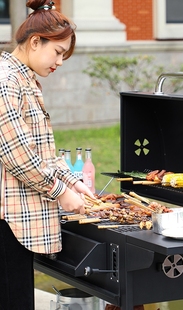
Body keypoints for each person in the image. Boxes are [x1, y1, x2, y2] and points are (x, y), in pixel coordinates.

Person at [0, 1, 95, 309]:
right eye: (58, 52)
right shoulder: (6, 81)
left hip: (15, 220)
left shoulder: (25, 78)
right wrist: (60, 192)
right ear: (35, 41)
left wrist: (72, 181)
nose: (61, 62)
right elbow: (18, 155)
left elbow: (41, 151)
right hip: (6, 220)